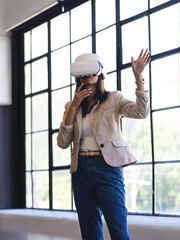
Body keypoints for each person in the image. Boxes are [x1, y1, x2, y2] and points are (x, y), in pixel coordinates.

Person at [57, 49, 151, 240]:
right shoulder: (71, 106)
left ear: (100, 72)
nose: (87, 77)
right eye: (83, 74)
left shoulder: (113, 99)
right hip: (80, 169)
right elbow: (62, 143)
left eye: (91, 72)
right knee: (90, 231)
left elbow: (141, 112)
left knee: (118, 228)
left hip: (107, 167)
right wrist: (74, 106)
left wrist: (139, 77)